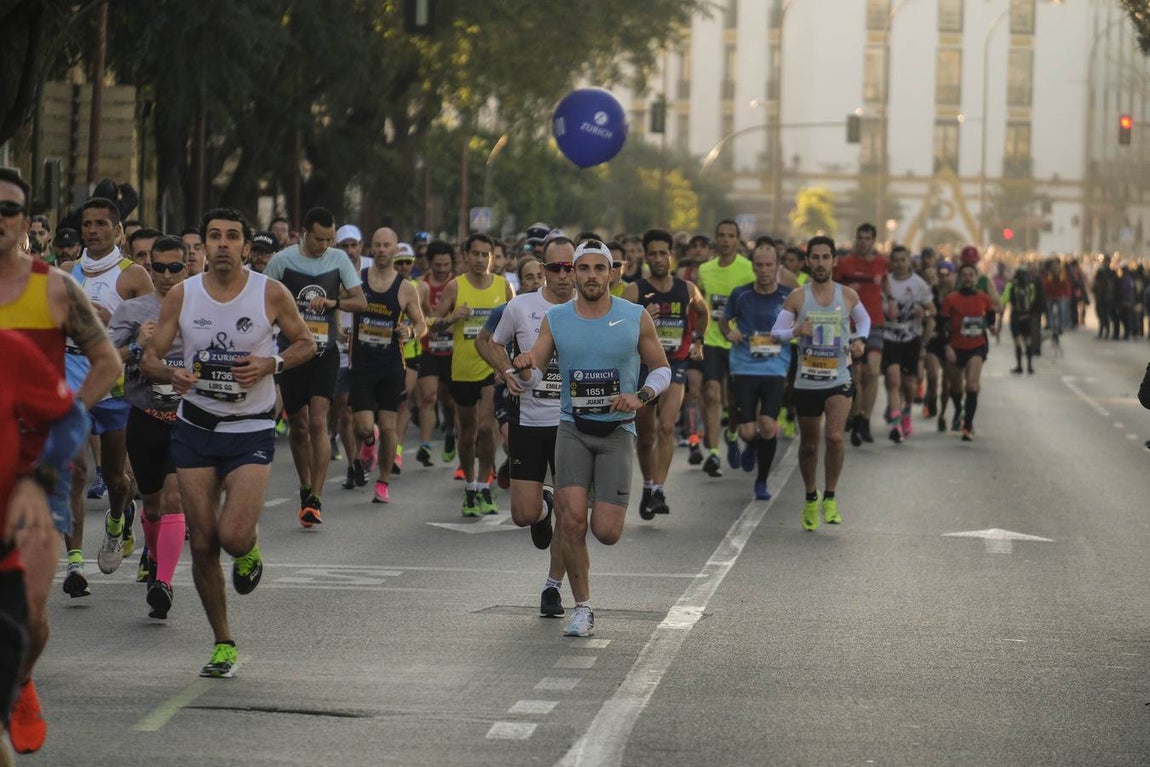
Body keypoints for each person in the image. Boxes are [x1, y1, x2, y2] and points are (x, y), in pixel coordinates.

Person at [141, 207, 315, 677]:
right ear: (203, 246)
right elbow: (150, 359)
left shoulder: (270, 292)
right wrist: (170, 372)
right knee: (202, 544)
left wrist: (271, 364)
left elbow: (306, 343)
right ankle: (223, 642)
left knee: (233, 536)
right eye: (213, 235)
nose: (221, 243)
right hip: (196, 425)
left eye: (231, 237)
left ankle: (250, 550)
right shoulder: (183, 295)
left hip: (250, 427)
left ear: (245, 246)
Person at [0, 167, 120, 755]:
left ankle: (22, 678)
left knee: (30, 611)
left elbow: (108, 364)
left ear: (25, 223)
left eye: (9, 209)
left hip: (37, 472)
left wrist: (65, 414)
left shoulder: (54, 288)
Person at [511, 239, 671, 638]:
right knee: (571, 522)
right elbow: (538, 364)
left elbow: (662, 370)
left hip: (617, 430)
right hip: (571, 429)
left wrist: (641, 396)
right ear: (575, 273)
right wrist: (525, 365)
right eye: (584, 269)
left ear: (612, 273)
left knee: (607, 531)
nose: (592, 276)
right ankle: (582, 608)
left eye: (600, 269)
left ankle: (597, 514)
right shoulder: (559, 318)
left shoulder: (634, 316)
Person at [57, 197, 154, 581]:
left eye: (100, 224)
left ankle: (117, 520)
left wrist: (115, 321)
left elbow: (153, 333)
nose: (92, 230)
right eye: (87, 224)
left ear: (117, 231)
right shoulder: (65, 271)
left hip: (114, 386)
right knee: (74, 472)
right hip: (70, 380)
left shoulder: (133, 276)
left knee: (114, 476)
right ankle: (75, 562)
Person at [482, 236, 575, 618]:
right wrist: (505, 372)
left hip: (574, 425)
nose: (563, 276)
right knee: (523, 513)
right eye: (555, 268)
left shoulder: (592, 309)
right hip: (529, 420)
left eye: (570, 267)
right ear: (544, 268)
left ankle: (553, 587)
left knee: (572, 517)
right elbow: (488, 341)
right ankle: (543, 508)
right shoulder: (520, 307)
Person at [263, 206, 367, 528]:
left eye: (329, 239)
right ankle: (305, 485)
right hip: (292, 353)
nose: (324, 245)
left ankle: (316, 499)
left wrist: (334, 303)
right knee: (299, 425)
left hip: (326, 351)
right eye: (319, 239)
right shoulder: (281, 261)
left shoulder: (338, 260)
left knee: (319, 422)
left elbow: (360, 302)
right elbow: (261, 301)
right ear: (303, 233)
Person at [108, 235, 191, 619]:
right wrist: (137, 347)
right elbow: (108, 360)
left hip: (187, 421)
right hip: (144, 417)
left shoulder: (201, 306)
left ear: (188, 266)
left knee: (175, 499)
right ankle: (156, 559)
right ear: (150, 268)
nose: (167, 276)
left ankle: (164, 583)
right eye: (159, 267)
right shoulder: (132, 310)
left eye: (175, 267)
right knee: (153, 507)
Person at [771, 236, 869, 531]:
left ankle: (830, 496)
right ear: (808, 261)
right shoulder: (798, 297)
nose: (821, 262)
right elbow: (776, 333)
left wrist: (860, 341)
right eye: (815, 257)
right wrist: (796, 330)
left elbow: (864, 322)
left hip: (839, 377)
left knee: (836, 437)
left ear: (834, 260)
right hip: (807, 381)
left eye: (826, 257)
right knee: (810, 445)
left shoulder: (848, 295)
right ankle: (811, 496)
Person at [622, 228, 707, 518]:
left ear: (671, 255)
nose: (659, 259)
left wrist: (698, 339)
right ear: (645, 257)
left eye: (663, 253)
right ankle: (647, 485)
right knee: (645, 439)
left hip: (676, 364)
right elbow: (619, 331)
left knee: (667, 427)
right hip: (645, 368)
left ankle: (658, 489)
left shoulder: (687, 289)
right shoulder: (634, 291)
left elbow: (703, 312)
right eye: (653, 254)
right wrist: (642, 322)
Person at [432, 233, 513, 515]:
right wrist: (452, 318)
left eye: (485, 254)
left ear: (492, 256)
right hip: (462, 370)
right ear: (466, 256)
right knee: (467, 434)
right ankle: (469, 487)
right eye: (475, 254)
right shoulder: (455, 287)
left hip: (491, 369)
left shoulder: (504, 287)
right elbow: (432, 325)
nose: (480, 259)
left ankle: (484, 486)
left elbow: (515, 326)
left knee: (485, 429)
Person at [348, 228, 426, 503]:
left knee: (388, 424)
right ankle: (369, 442)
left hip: (391, 365)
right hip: (361, 363)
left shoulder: (405, 288)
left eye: (386, 246)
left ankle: (383, 481)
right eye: (377, 246)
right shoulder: (357, 280)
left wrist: (411, 333)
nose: (381, 250)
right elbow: (341, 308)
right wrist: (341, 331)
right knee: (363, 426)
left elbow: (421, 323)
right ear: (371, 249)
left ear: (395, 250)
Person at [719, 241, 791, 500]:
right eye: (759, 265)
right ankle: (752, 445)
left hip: (776, 368)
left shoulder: (788, 296)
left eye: (769, 265)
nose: (764, 270)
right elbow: (723, 320)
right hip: (745, 367)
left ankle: (761, 482)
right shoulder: (741, 294)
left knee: (769, 426)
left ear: (777, 267)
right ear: (752, 266)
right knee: (748, 431)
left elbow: (804, 321)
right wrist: (730, 332)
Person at [696, 219, 754, 477]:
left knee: (734, 401)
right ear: (715, 239)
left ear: (738, 240)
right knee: (711, 392)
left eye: (731, 236)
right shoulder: (705, 270)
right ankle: (714, 454)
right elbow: (700, 306)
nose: (725, 240)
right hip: (711, 340)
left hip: (738, 342)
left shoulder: (749, 270)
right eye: (721, 235)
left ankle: (731, 432)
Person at [834, 223, 889, 448]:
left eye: (868, 238)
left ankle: (865, 418)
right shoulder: (845, 264)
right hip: (849, 325)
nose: (863, 241)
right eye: (860, 237)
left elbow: (887, 287)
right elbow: (833, 288)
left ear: (874, 240)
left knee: (873, 372)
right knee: (856, 376)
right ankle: (855, 417)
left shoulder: (882, 264)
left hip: (874, 323)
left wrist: (892, 302)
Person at [881, 245, 933, 442]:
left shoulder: (919, 284)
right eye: (895, 260)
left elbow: (932, 310)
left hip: (911, 338)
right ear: (890, 262)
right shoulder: (885, 282)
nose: (899, 264)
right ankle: (895, 425)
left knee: (909, 384)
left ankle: (907, 412)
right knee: (893, 379)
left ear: (909, 261)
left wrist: (924, 313)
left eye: (903, 260)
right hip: (889, 337)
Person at [940, 262, 997, 441]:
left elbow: (990, 316)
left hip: (977, 346)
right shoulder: (951, 299)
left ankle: (967, 425)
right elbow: (943, 326)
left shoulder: (983, 298)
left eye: (971, 275)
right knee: (956, 387)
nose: (967, 278)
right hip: (956, 347)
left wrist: (992, 326)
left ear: (976, 277)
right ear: (959, 277)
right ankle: (958, 408)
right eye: (964, 274)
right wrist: (947, 346)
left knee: (972, 385)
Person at [416, 241, 458, 468]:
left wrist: (445, 324)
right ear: (429, 263)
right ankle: (426, 445)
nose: (442, 269)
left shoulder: (458, 284)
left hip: (453, 350)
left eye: (446, 264)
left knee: (449, 400)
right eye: (437, 265)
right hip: (428, 348)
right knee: (428, 397)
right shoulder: (421, 285)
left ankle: (450, 431)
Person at [1001, 264, 1039, 374]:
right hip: (1027, 316)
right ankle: (1030, 366)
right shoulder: (1030, 286)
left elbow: (1004, 299)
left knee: (1017, 341)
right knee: (1028, 340)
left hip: (1015, 316)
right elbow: (1032, 300)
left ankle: (1019, 366)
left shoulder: (1011, 285)